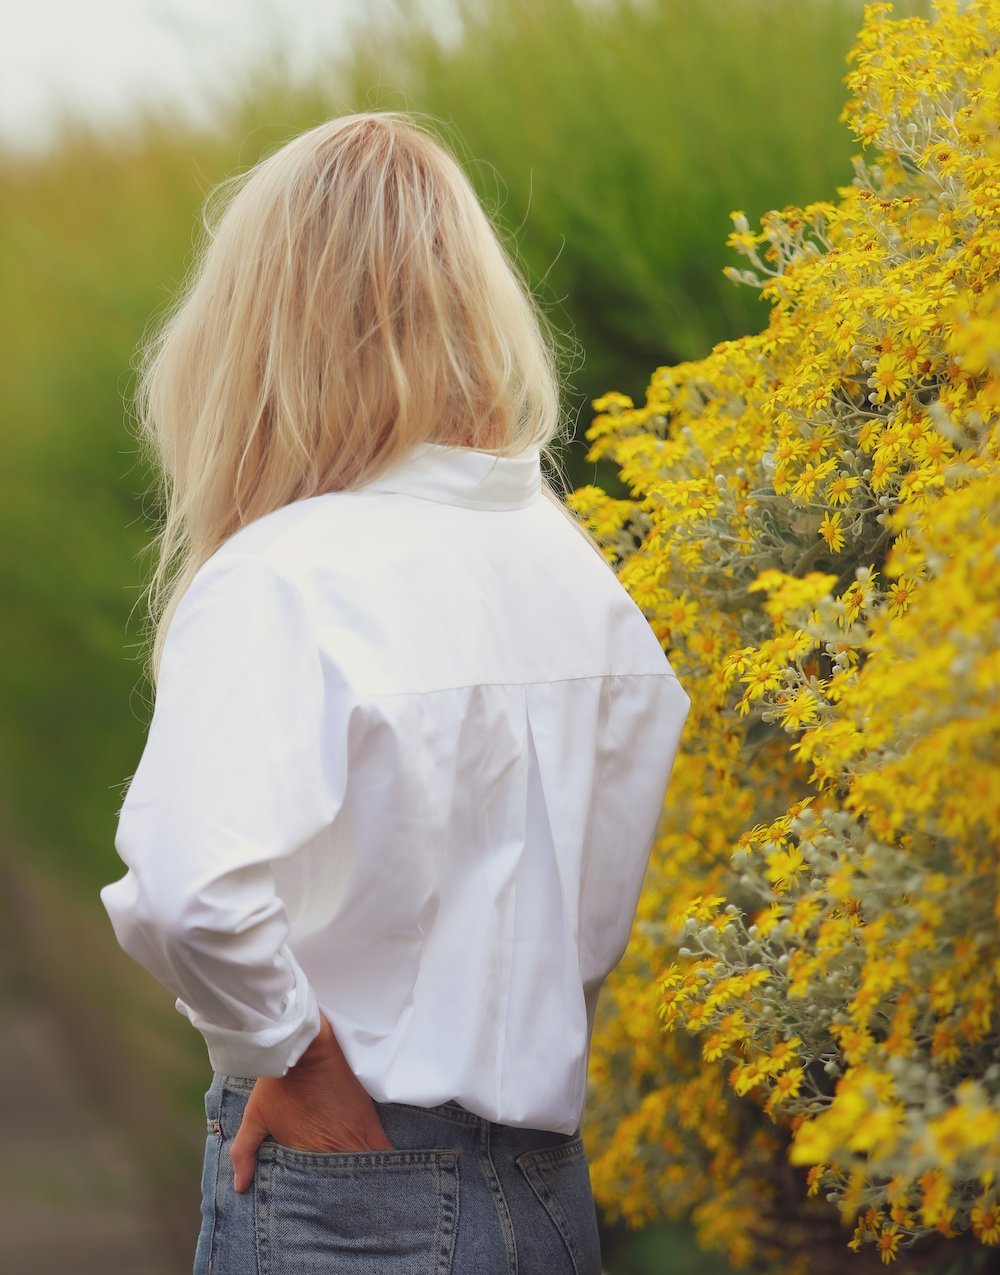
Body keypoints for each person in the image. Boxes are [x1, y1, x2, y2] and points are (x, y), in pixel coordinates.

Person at [101, 112, 690, 1275]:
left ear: (258, 329)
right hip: (544, 1187)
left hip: (345, 1179)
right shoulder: (572, 572)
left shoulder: (281, 575)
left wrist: (295, 1058)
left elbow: (186, 896)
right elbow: (591, 919)